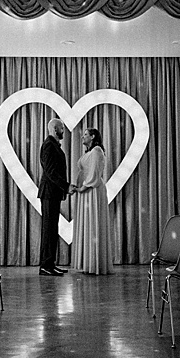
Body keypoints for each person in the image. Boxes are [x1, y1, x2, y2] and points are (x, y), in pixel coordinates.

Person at [70, 127, 112, 275]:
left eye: (86, 135)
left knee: (92, 224)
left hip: (92, 191)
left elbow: (94, 173)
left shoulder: (96, 151)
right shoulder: (90, 152)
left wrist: (83, 188)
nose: (83, 137)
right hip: (86, 191)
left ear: (93, 136)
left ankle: (93, 263)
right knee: (88, 224)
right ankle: (87, 262)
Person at [37, 118, 69, 276]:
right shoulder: (49, 145)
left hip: (52, 193)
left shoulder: (53, 145)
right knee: (49, 229)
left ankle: (49, 263)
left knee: (52, 229)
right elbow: (50, 172)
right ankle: (45, 265)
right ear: (55, 129)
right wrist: (66, 186)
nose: (63, 131)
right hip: (49, 193)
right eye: (61, 128)